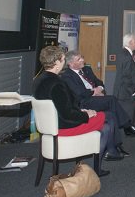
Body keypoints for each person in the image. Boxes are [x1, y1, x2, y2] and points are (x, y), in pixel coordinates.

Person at [32, 45, 112, 173]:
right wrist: (86, 115)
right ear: (57, 62)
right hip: (64, 127)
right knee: (106, 119)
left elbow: (60, 108)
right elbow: (67, 114)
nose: (64, 62)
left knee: (104, 122)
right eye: (63, 59)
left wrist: (80, 111)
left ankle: (96, 162)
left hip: (49, 127)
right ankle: (98, 166)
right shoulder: (56, 84)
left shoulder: (38, 80)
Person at [61, 51, 135, 154]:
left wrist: (99, 88)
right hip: (83, 103)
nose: (83, 60)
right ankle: (127, 126)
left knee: (112, 114)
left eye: (82, 57)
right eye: (79, 59)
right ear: (70, 63)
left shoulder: (87, 69)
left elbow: (99, 82)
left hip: (93, 98)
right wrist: (94, 92)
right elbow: (79, 93)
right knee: (111, 100)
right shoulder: (67, 76)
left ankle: (114, 147)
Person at [113, 32, 135, 130]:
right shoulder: (126, 56)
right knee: (126, 119)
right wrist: (132, 92)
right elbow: (126, 78)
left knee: (124, 118)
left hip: (122, 92)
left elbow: (128, 72)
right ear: (130, 42)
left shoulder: (124, 53)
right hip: (126, 94)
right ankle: (125, 138)